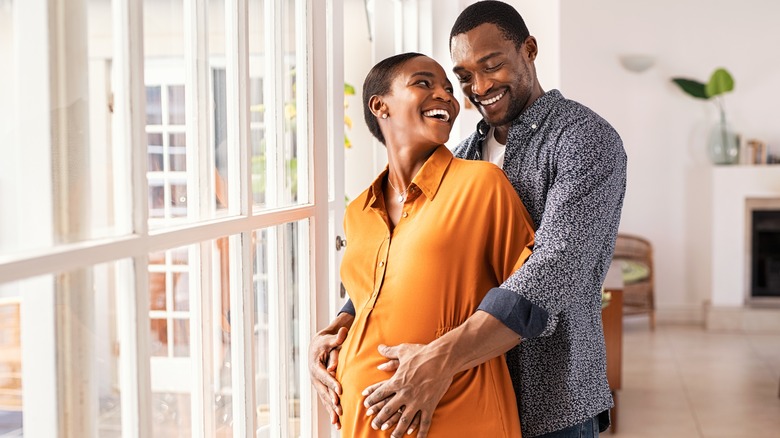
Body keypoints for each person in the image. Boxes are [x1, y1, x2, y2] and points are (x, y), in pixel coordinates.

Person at [310, 1, 627, 437]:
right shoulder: (460, 155)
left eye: (491, 66)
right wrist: (346, 321)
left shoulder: (584, 139)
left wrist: (440, 357)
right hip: (461, 396)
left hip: (551, 399)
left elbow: (555, 269)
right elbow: (411, 256)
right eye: (464, 77)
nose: (478, 86)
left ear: (529, 50)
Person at [330, 51, 535, 437]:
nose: (445, 96)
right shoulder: (358, 211)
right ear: (380, 105)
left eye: (448, 88)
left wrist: (440, 362)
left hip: (460, 417)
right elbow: (369, 302)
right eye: (424, 83)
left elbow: (529, 307)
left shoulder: (482, 186)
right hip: (360, 420)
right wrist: (327, 342)